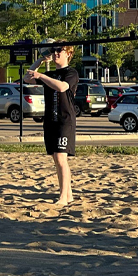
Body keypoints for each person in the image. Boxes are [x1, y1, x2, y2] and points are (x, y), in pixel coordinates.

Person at [24, 42, 79, 206]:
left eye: (59, 50)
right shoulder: (49, 75)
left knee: (62, 158)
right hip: (50, 120)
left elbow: (62, 87)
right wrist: (41, 59)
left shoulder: (71, 73)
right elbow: (27, 78)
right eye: (53, 50)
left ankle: (63, 197)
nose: (56, 53)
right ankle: (68, 195)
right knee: (57, 158)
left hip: (65, 121)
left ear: (68, 53)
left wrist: (41, 76)